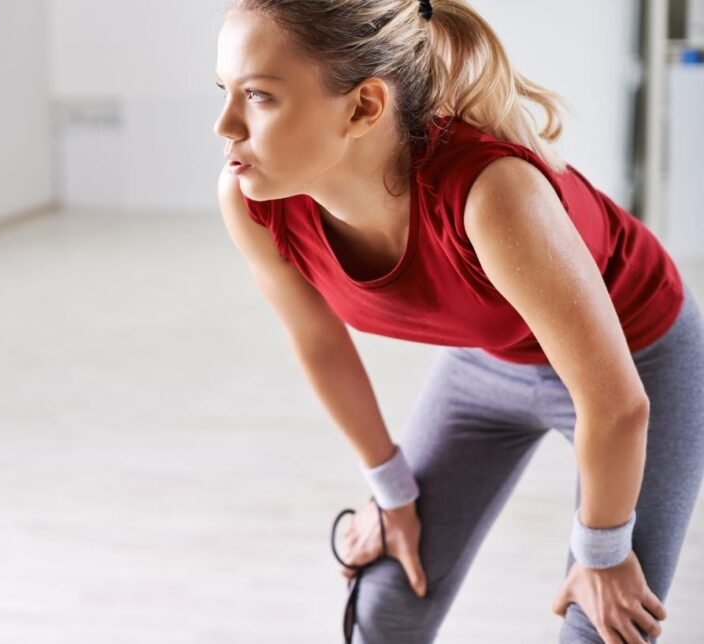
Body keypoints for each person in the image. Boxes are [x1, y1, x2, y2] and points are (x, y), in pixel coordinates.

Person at [212, 1, 704, 643]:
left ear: (363, 106)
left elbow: (617, 406)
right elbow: (319, 342)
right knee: (384, 604)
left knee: (602, 628)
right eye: (225, 91)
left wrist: (603, 554)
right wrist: (390, 493)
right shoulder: (252, 201)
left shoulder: (493, 194)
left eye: (259, 97)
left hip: (637, 360)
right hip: (485, 361)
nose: (225, 126)